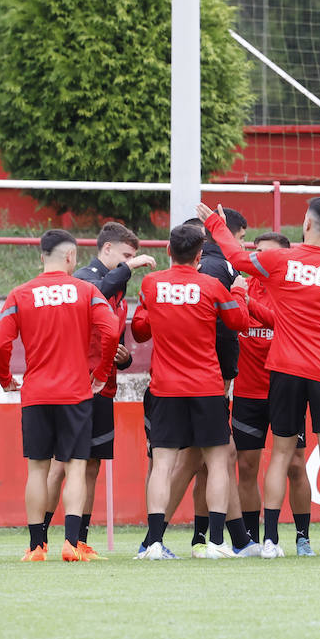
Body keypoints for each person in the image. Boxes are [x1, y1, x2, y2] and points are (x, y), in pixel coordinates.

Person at [200, 197, 320, 558]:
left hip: (286, 369)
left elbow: (237, 259)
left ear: (306, 223)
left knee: (280, 455)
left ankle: (270, 540)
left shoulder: (282, 260)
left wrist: (215, 225)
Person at [0, 230, 119, 561]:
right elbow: (110, 331)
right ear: (71, 257)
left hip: (35, 393)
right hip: (75, 393)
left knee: (38, 469)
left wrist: (5, 379)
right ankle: (72, 544)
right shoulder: (86, 290)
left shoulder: (20, 294)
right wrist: (102, 373)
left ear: (41, 257)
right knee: (76, 467)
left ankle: (36, 547)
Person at [131, 224, 252, 559]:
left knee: (163, 464)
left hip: (166, 387)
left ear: (169, 251)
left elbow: (140, 331)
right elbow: (239, 321)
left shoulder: (151, 283)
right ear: (200, 255)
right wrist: (240, 290)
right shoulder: (211, 285)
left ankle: (153, 544)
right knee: (216, 462)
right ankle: (214, 543)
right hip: (206, 386)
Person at [40, 222, 153, 556]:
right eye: (125, 255)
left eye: (132, 256)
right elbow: (97, 291)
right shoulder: (85, 279)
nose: (130, 261)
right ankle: (40, 537)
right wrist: (129, 269)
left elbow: (112, 339)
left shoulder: (117, 290)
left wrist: (124, 358)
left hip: (104, 388)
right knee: (61, 465)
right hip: (76, 387)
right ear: (107, 250)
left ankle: (79, 539)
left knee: (91, 466)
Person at [230, 232, 313, 551]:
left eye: (269, 254)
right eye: (256, 252)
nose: (260, 259)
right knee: (247, 466)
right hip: (248, 393)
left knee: (295, 465)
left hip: (286, 390)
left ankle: (303, 537)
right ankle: (250, 538)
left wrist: (250, 304)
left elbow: (286, 323)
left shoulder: (293, 292)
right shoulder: (240, 288)